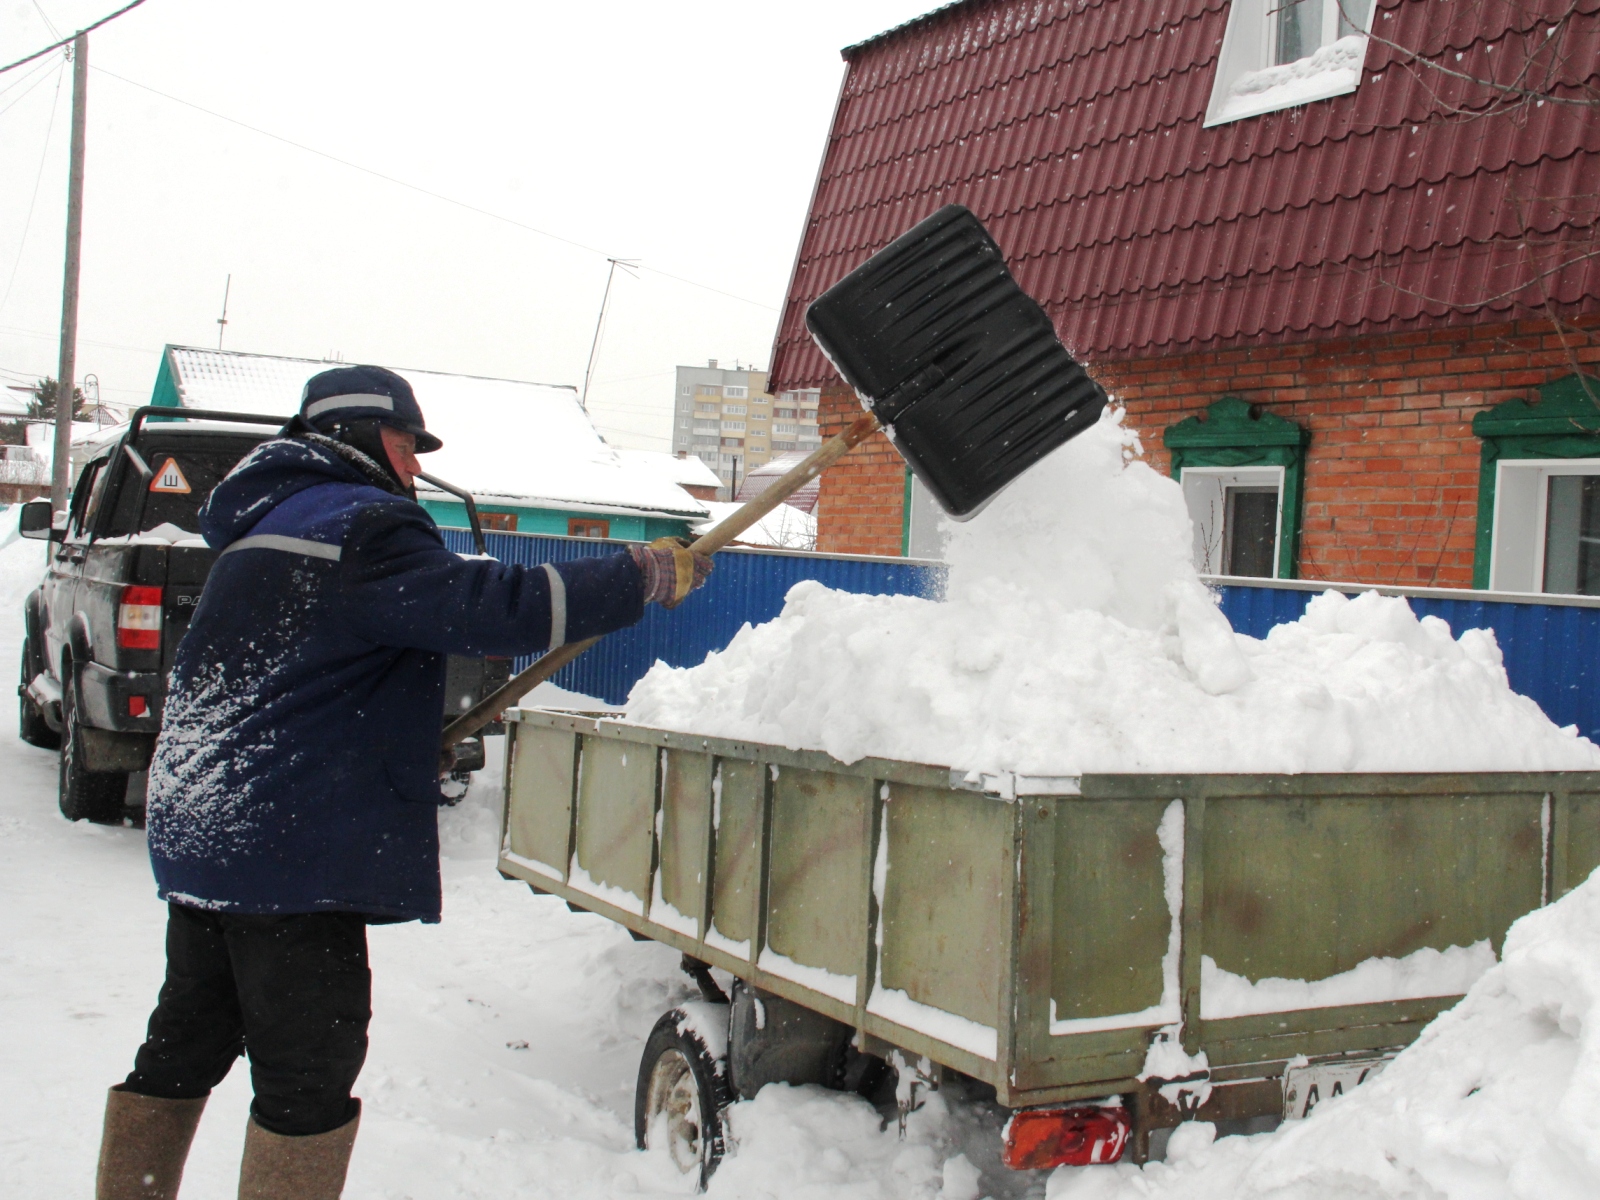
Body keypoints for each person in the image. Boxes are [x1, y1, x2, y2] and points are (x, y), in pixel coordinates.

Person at [92, 366, 712, 1200]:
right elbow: (496, 603)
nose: (415, 467)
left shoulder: (267, 521)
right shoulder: (363, 526)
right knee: (308, 1071)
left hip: (210, 822)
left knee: (188, 1036)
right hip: (286, 848)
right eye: (403, 444)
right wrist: (638, 575)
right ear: (353, 435)